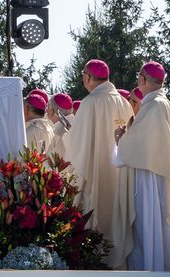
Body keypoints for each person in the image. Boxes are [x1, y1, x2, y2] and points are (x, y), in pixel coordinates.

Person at [108, 61, 170, 271]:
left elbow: (140, 142)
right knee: (153, 226)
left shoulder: (153, 104)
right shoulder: (160, 102)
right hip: (154, 170)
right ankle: (156, 266)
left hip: (150, 175)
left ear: (143, 79)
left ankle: (152, 269)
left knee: (148, 225)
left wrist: (121, 139)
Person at [56, 59, 132, 238]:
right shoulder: (124, 102)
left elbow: (79, 144)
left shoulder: (91, 102)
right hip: (120, 174)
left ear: (88, 77)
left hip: (97, 173)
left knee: (96, 213)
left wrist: (68, 134)